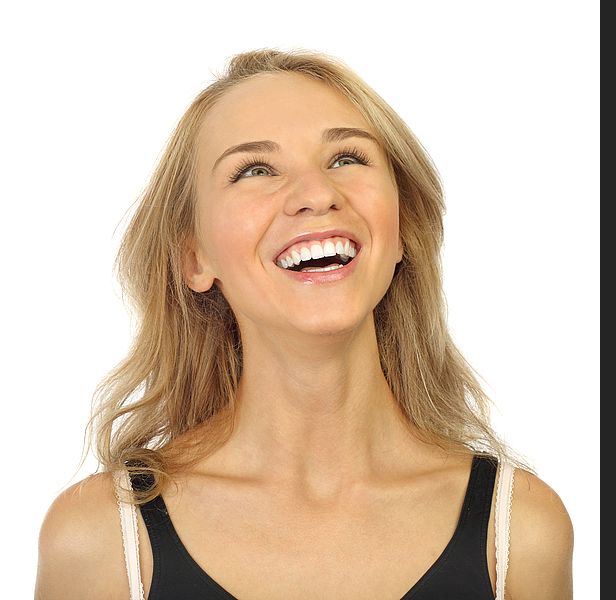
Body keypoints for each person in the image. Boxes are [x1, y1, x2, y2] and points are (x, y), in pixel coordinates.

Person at [35, 49, 573, 599]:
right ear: (194, 256)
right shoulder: (101, 539)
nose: (317, 194)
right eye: (254, 170)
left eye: (347, 158)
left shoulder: (517, 532)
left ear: (402, 226)